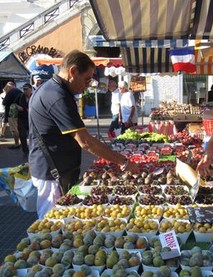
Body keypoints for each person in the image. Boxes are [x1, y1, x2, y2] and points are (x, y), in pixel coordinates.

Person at [28, 50, 139, 218]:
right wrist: (123, 162)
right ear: (73, 72)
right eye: (87, 79)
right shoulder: (57, 96)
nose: (88, 85)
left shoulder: (55, 90)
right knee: (51, 222)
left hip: (58, 169)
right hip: (51, 172)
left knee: (63, 217)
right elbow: (85, 141)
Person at [2, 82, 22, 149]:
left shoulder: (10, 92)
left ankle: (16, 143)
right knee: (19, 129)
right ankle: (22, 142)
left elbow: (4, 102)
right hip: (20, 113)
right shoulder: (20, 91)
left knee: (14, 129)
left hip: (12, 113)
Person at [18, 83, 32, 155]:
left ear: (30, 89)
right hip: (22, 119)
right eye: (24, 89)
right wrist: (18, 107)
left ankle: (33, 150)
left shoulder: (34, 96)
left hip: (31, 119)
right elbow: (14, 103)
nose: (25, 91)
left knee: (32, 135)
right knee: (22, 135)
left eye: (26, 89)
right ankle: (25, 150)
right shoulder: (20, 96)